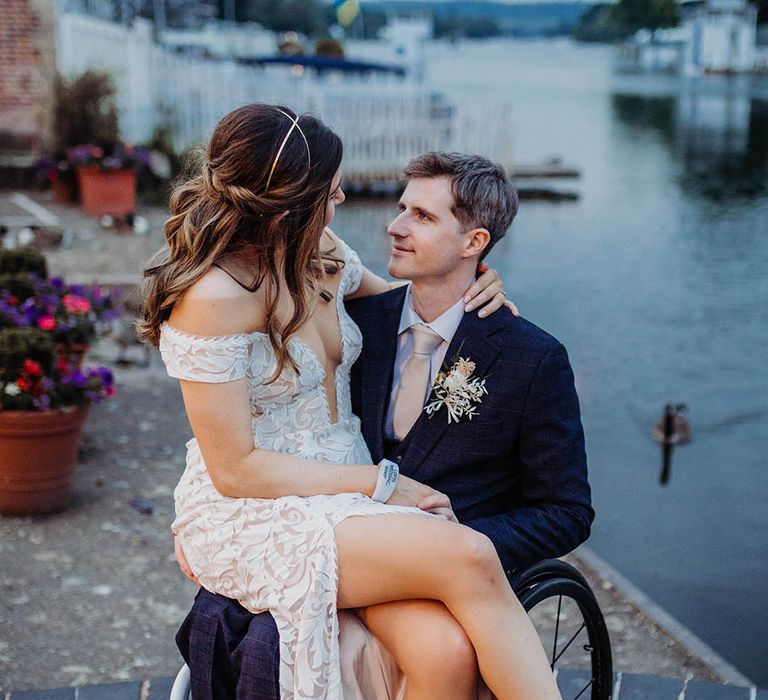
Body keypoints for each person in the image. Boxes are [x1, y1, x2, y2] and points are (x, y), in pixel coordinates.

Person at [142, 104, 564, 699]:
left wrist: (477, 280)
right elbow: (235, 469)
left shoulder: (322, 253)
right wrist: (382, 483)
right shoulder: (213, 297)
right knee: (468, 555)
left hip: (343, 497)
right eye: (332, 196)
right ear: (289, 209)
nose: (341, 204)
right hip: (261, 506)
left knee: (443, 653)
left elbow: (403, 301)